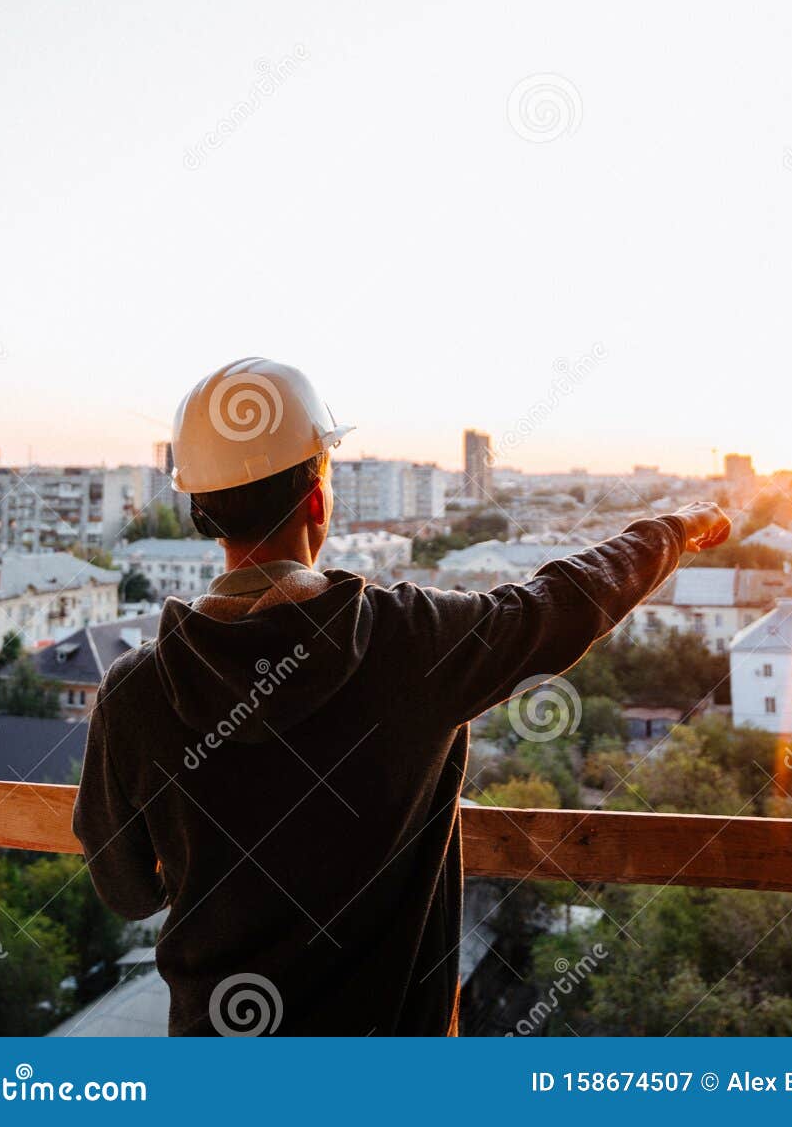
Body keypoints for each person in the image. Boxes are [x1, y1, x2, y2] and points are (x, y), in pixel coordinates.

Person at [74, 357, 731, 1036]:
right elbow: (557, 605)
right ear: (318, 501)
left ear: (200, 512)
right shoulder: (410, 642)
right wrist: (671, 531)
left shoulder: (135, 692)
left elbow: (126, 889)